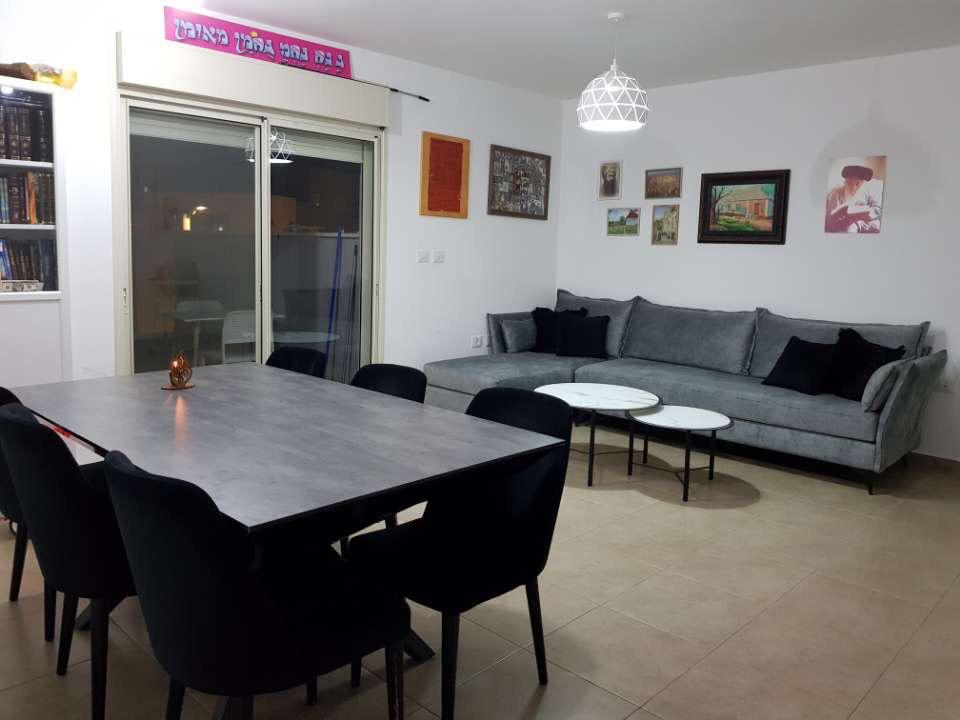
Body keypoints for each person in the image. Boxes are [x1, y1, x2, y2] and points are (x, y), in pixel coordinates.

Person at [825, 164, 883, 233]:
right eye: (849, 182)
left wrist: (862, 213)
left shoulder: (872, 187)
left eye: (859, 183)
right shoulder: (836, 193)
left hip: (866, 222)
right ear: (845, 181)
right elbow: (831, 221)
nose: (856, 187)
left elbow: (877, 211)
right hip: (845, 224)